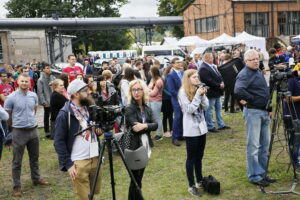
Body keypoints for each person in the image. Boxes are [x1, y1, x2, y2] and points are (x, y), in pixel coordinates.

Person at [54, 79, 102, 200]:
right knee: (83, 197)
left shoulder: (89, 108)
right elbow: (58, 141)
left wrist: (98, 130)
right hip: (79, 161)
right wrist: (68, 164)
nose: (89, 92)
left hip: (94, 156)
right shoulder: (65, 114)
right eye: (85, 90)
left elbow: (91, 128)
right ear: (76, 94)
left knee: (93, 192)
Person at [234, 49, 275, 187]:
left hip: (264, 112)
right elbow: (238, 90)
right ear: (246, 61)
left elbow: (264, 90)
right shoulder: (244, 74)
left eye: (258, 58)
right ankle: (254, 176)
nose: (257, 61)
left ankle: (262, 173)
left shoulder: (257, 71)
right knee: (254, 146)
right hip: (253, 113)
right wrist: (252, 100)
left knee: (264, 146)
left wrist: (268, 108)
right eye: (253, 59)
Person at [5, 73, 49, 197]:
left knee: (34, 158)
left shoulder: (33, 95)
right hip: (19, 132)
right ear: (17, 82)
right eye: (22, 81)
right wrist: (15, 127)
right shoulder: (11, 97)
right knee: (17, 161)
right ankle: (16, 186)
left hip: (33, 131)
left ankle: (36, 179)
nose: (24, 83)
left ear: (30, 83)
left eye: (26, 81)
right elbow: (8, 115)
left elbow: (34, 109)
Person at [125, 79, 158, 200]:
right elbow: (135, 128)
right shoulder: (129, 108)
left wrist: (144, 125)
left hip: (146, 146)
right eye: (134, 90)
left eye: (139, 89)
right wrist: (147, 126)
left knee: (138, 179)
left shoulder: (147, 108)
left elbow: (156, 124)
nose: (136, 92)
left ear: (143, 91)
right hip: (134, 147)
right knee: (135, 179)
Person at [178, 69, 208, 197]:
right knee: (191, 158)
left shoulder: (199, 89)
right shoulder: (182, 92)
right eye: (194, 77)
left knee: (199, 156)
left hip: (202, 127)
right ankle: (191, 185)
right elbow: (189, 109)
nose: (197, 79)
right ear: (188, 79)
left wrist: (202, 95)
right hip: (191, 129)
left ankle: (199, 180)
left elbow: (206, 106)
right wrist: (197, 96)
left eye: (198, 77)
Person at [199, 53, 230, 132]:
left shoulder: (212, 65)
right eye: (211, 57)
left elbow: (219, 76)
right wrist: (219, 85)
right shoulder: (203, 68)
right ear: (207, 58)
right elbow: (208, 80)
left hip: (217, 91)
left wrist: (222, 82)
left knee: (218, 109)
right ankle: (210, 126)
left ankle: (221, 124)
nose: (213, 59)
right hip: (211, 92)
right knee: (209, 110)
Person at [167, 58, 184, 146]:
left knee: (182, 117)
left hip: (184, 99)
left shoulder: (182, 72)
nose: (179, 64)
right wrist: (181, 96)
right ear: (173, 64)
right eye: (177, 63)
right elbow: (171, 90)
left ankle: (180, 134)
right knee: (177, 118)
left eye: (180, 62)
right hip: (177, 99)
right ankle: (174, 138)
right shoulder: (171, 75)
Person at [37, 63, 56, 138]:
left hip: (53, 100)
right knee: (46, 116)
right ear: (43, 69)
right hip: (47, 101)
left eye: (49, 68)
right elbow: (40, 92)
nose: (49, 69)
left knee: (53, 116)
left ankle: (53, 130)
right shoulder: (40, 80)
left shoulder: (53, 77)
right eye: (47, 68)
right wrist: (44, 102)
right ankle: (47, 132)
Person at [148, 66, 164, 141]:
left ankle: (159, 134)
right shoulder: (153, 79)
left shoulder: (159, 81)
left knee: (157, 118)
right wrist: (149, 91)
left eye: (150, 71)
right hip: (150, 101)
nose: (149, 72)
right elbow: (149, 88)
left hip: (156, 101)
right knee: (150, 117)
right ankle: (150, 133)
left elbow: (154, 93)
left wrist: (148, 91)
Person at [162, 65, 173, 138]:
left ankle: (172, 130)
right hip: (166, 99)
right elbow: (163, 89)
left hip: (171, 98)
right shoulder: (165, 77)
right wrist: (171, 94)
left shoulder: (171, 77)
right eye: (172, 69)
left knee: (171, 115)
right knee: (166, 115)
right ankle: (165, 131)